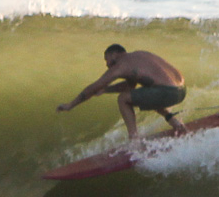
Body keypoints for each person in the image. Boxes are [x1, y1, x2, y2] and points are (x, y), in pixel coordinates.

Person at [57, 44, 187, 141]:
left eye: (106, 59)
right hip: (181, 90)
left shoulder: (121, 65)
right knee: (146, 93)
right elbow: (130, 87)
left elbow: (93, 88)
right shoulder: (139, 56)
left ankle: (134, 140)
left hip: (166, 92)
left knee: (122, 99)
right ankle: (175, 122)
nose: (107, 65)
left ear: (114, 54)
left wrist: (70, 105)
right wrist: (106, 90)